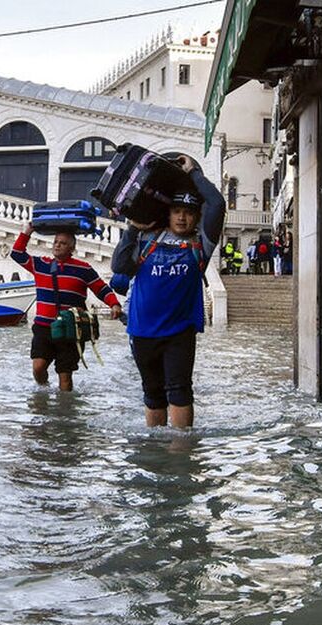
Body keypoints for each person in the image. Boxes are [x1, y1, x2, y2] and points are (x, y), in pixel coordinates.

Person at [111, 153, 226, 429]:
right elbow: (120, 265)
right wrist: (131, 229)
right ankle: (155, 451)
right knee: (152, 393)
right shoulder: (146, 238)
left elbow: (218, 203)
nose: (183, 218)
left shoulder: (202, 244)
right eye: (177, 212)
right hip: (141, 331)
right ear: (168, 213)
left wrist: (193, 172)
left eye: (188, 213)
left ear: (197, 217)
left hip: (180, 332)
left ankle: (181, 454)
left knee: (179, 390)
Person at [12, 223, 122, 391]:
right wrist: (28, 231)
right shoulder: (40, 264)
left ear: (72, 249)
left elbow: (101, 288)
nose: (57, 245)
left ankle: (63, 413)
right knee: (38, 367)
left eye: (62, 243)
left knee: (65, 375)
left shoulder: (83, 269)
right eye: (56, 241)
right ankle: (44, 391)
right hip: (43, 328)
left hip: (71, 330)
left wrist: (114, 304)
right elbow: (17, 253)